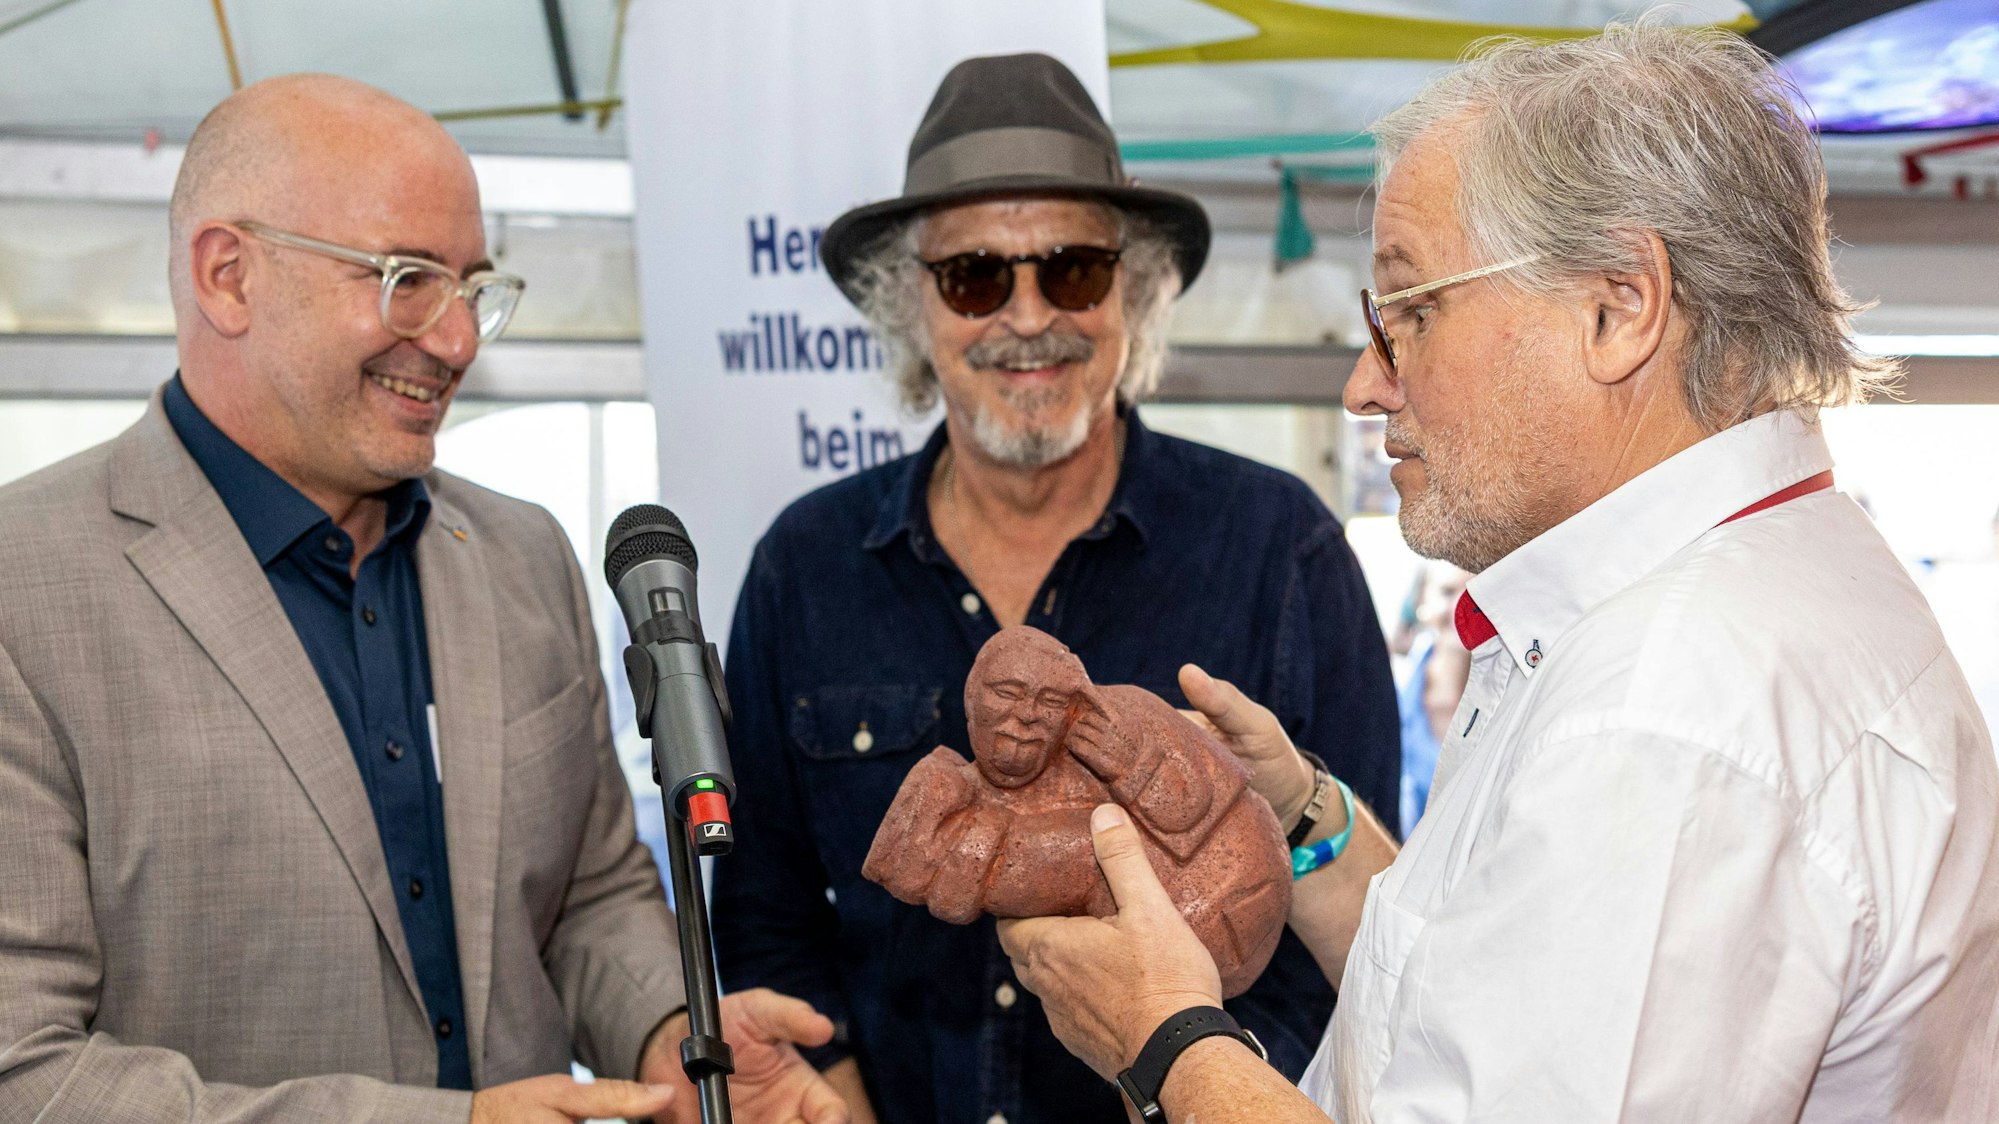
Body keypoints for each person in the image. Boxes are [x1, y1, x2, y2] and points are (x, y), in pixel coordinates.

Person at [997, 24, 1999, 1123]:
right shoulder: (1725, 594)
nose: (1362, 385)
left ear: (1618, 309)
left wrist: (1162, 1039)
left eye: (1409, 314)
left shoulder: (1664, 707)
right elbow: (1478, 1016)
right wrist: (1303, 819)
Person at [0, 74, 843, 1124]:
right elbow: (25, 1072)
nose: (456, 341)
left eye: (472, 287)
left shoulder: (521, 554)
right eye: (406, 280)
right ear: (228, 276)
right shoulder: (23, 590)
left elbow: (587, 895)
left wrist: (675, 1035)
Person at [711, 52, 1401, 1124]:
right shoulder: (803, 565)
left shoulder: (1280, 548)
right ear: (912, 304)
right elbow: (766, 909)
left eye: (1073, 270)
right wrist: (829, 1093)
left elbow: (1348, 938)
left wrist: (1201, 1093)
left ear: (1133, 293)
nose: (1029, 316)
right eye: (974, 276)